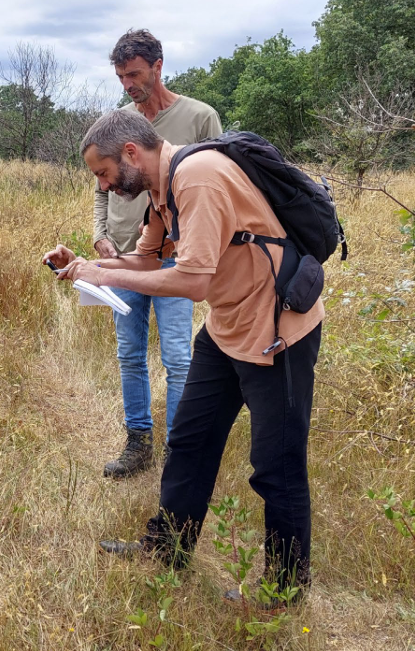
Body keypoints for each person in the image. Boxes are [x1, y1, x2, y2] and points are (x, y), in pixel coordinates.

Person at [45, 110, 323, 601]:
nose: (104, 186)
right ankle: (168, 547)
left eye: (103, 173)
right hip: (226, 327)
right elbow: (149, 260)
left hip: (277, 331)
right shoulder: (161, 189)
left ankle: (284, 593)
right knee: (190, 441)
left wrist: (106, 276)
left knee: (275, 466)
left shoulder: (198, 177)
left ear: (131, 153)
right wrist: (89, 265)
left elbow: (191, 282)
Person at [94, 29, 222, 478]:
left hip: (178, 259)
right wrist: (99, 243)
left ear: (157, 67)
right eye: (121, 76)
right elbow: (101, 190)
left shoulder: (200, 118)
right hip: (129, 251)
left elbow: (215, 187)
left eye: (133, 74)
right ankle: (138, 445)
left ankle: (177, 449)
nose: (127, 84)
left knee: (178, 357)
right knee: (129, 355)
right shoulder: (118, 125)